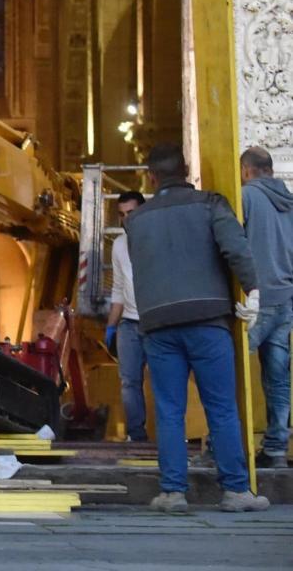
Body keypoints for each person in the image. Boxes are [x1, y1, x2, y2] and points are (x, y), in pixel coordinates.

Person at [125, 143, 268, 514]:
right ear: (187, 171)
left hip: (158, 326)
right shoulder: (211, 204)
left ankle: (173, 492)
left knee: (170, 410)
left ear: (151, 178)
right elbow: (236, 249)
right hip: (207, 320)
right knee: (221, 407)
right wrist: (252, 291)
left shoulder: (136, 221)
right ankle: (236, 491)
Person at [240, 146, 293, 469]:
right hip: (286, 299)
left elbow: (235, 245)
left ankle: (222, 445)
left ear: (247, 170)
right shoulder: (289, 202)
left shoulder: (246, 197)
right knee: (278, 376)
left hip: (255, 300)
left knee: (228, 371)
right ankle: (275, 449)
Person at [104, 190, 149, 442]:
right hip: (129, 324)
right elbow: (118, 288)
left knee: (165, 382)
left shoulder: (157, 239)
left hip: (155, 323)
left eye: (131, 212)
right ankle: (136, 435)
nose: (126, 219)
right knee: (129, 383)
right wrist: (111, 327)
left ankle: (169, 436)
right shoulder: (119, 245)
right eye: (121, 215)